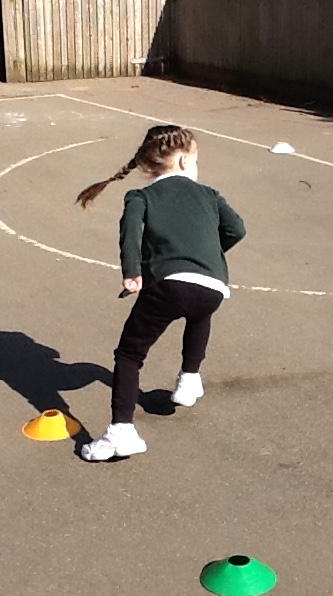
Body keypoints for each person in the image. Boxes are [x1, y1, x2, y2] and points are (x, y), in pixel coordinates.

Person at [75, 125, 246, 461]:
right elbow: (236, 229)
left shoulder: (141, 197)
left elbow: (130, 234)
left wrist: (133, 273)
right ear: (182, 161)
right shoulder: (210, 194)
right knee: (200, 312)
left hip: (169, 284)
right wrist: (208, 257)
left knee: (130, 354)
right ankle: (190, 377)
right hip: (212, 286)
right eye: (196, 160)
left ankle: (121, 431)